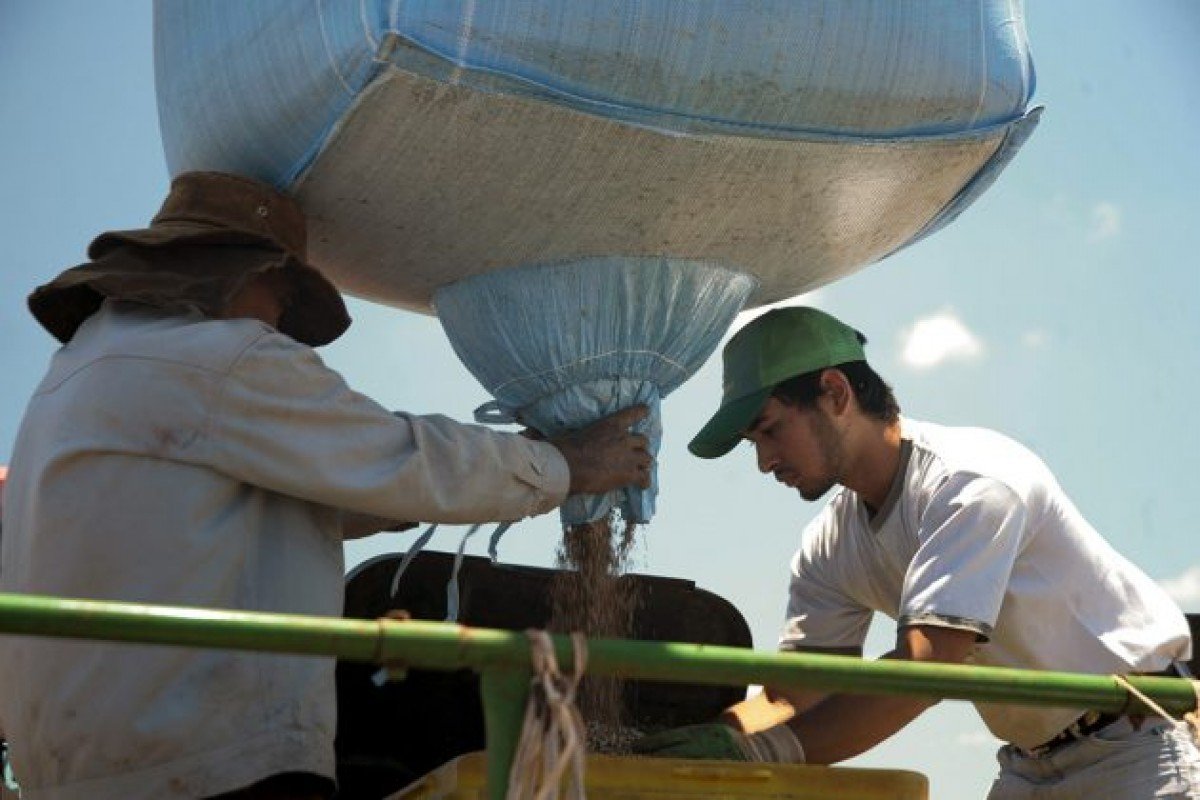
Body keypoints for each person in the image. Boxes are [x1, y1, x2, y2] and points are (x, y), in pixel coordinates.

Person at [0, 172, 652, 800]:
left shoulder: (74, 377)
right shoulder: (223, 358)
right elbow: (400, 458)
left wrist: (413, 496)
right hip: (206, 760)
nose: (279, 323)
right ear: (246, 274)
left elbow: (266, 503)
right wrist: (566, 466)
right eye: (283, 301)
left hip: (73, 765)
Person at [635, 306, 1198, 798]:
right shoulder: (827, 545)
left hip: (1136, 748)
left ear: (835, 392)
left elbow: (928, 668)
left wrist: (765, 754)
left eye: (770, 431)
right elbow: (798, 694)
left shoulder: (972, 482)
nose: (763, 462)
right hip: (1030, 764)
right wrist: (709, 741)